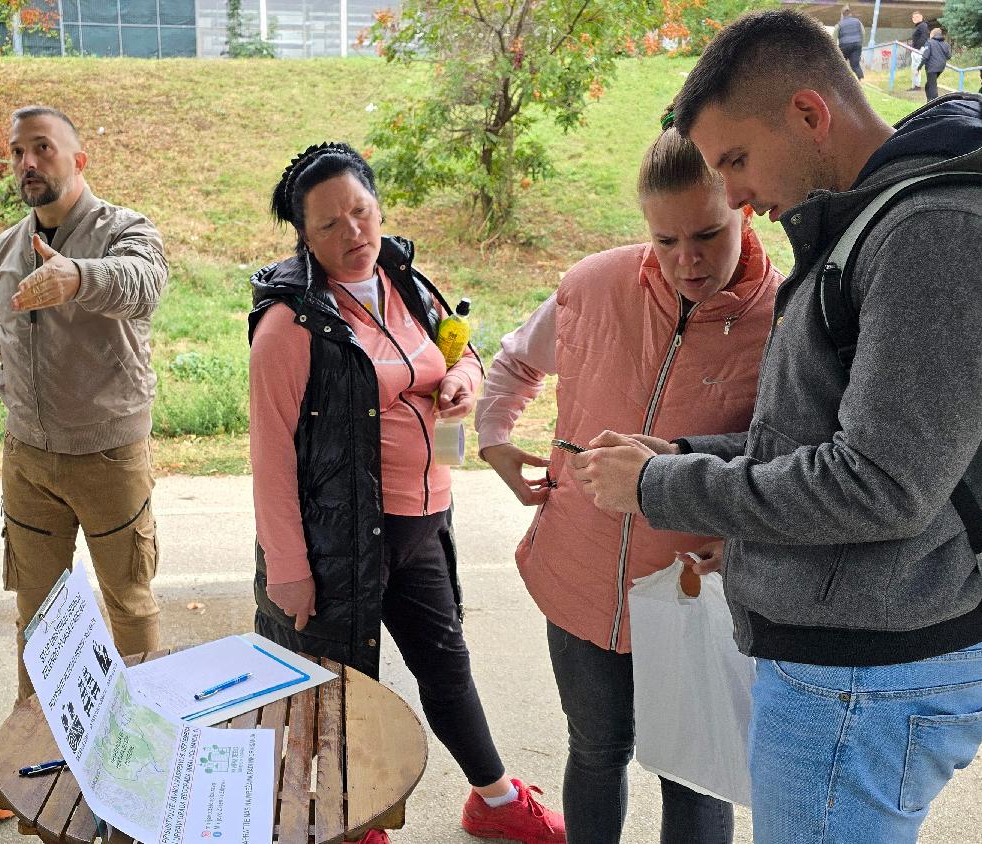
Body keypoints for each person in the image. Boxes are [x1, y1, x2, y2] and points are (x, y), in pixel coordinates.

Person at [572, 10, 982, 843]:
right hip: (846, 660)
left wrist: (661, 484)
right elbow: (818, 442)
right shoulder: (872, 223)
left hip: (865, 676)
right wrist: (685, 452)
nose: (734, 195)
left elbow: (882, 484)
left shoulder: (928, 233)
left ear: (808, 113)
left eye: (734, 160)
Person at [249, 141, 565, 844]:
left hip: (422, 521)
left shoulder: (407, 280)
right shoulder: (289, 325)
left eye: (360, 212)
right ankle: (352, 823)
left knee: (447, 668)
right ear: (304, 236)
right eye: (329, 224)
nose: (353, 234)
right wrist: (291, 571)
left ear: (377, 205)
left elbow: (459, 350)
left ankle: (495, 798)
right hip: (339, 541)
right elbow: (269, 456)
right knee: (338, 693)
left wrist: (464, 382)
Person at [475, 117, 780, 844]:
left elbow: (790, 460)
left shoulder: (784, 318)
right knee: (596, 749)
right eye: (665, 240)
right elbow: (516, 361)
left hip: (692, 590)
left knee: (694, 772)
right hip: (578, 575)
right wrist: (495, 438)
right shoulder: (592, 284)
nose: (687, 261)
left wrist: (743, 546)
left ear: (741, 205)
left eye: (706, 234)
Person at [0, 104, 168, 820]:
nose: (29, 163)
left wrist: (77, 278)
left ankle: (148, 756)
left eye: (44, 148)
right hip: (27, 456)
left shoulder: (124, 230)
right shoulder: (1, 249)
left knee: (129, 604)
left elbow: (144, 284)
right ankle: (29, 762)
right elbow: (4, 342)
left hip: (109, 452)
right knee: (40, 619)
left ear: (78, 159)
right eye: (18, 151)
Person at [922, 27, 953, 102]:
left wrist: (919, 66)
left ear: (932, 34)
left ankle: (934, 103)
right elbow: (949, 56)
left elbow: (926, 55)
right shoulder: (946, 44)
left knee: (932, 86)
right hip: (941, 67)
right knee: (928, 85)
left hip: (931, 67)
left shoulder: (929, 42)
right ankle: (929, 102)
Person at [837, 5, 863, 79]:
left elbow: (834, 36)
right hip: (857, 44)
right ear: (850, 14)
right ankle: (861, 80)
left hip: (844, 45)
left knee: (840, 64)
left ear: (842, 15)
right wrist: (860, 43)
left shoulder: (839, 24)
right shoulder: (857, 21)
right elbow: (863, 32)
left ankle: (841, 80)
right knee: (856, 65)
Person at [910, 11, 931, 90]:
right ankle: (915, 85)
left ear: (921, 17)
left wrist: (917, 48)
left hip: (918, 50)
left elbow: (924, 37)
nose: (915, 19)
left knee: (917, 67)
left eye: (917, 17)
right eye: (914, 17)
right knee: (914, 67)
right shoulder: (919, 26)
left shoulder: (923, 25)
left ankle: (917, 86)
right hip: (916, 49)